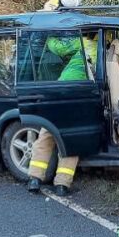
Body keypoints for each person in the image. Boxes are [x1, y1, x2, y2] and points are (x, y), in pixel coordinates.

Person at [27, 32, 98, 196]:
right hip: (79, 95)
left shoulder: (83, 43)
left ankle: (35, 179)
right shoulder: (105, 50)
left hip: (61, 89)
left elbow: (59, 48)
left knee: (47, 134)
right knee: (70, 140)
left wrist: (50, 34)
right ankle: (62, 185)